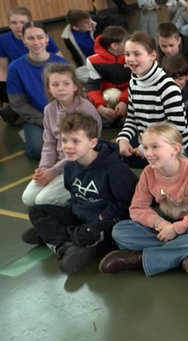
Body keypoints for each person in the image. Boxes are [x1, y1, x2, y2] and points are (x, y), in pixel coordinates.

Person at [100, 122, 188, 275]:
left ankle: (139, 259)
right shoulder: (148, 173)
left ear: (175, 149)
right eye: (145, 147)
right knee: (120, 231)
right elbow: (137, 208)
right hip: (168, 223)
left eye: (155, 147)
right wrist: (160, 223)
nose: (148, 153)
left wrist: (176, 229)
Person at [24, 111, 137, 273]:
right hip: (80, 216)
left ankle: (58, 234)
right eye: (64, 140)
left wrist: (103, 217)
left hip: (105, 220)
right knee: (36, 211)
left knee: (87, 234)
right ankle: (65, 245)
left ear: (92, 142)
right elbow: (74, 195)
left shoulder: (114, 169)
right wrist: (76, 212)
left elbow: (128, 202)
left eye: (75, 141)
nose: (68, 146)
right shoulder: (70, 165)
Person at [22, 63, 102, 208]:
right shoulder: (49, 110)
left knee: (42, 201)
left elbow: (82, 151)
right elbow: (49, 143)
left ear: (75, 86)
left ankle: (79, 194)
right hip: (57, 166)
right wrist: (44, 168)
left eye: (66, 83)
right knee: (28, 198)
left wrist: (53, 172)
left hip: (79, 165)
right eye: (55, 84)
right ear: (49, 88)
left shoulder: (85, 110)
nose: (61, 88)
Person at [117, 31, 188, 167]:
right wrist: (123, 138)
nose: (130, 59)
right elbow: (132, 118)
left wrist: (147, 148)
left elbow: (177, 129)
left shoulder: (167, 87)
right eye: (127, 54)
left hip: (172, 149)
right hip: (147, 144)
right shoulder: (134, 83)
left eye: (137, 54)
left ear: (152, 56)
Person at [7, 21, 69, 159]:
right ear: (24, 41)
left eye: (40, 37)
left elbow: (73, 94)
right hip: (36, 117)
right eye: (30, 38)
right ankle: (28, 135)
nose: (36, 42)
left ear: (47, 39)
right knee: (38, 150)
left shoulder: (62, 63)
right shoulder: (15, 68)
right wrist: (44, 120)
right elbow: (17, 103)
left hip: (63, 114)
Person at [0, 8, 63, 123]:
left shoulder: (42, 37)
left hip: (45, 75)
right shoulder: (3, 40)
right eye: (14, 23)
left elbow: (60, 59)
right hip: (21, 77)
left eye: (22, 22)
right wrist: (5, 89)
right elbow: (3, 68)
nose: (18, 26)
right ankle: (16, 109)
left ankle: (14, 111)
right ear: (9, 24)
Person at [85, 26, 131, 125]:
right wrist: (100, 107)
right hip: (106, 97)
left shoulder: (132, 56)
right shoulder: (95, 62)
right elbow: (92, 87)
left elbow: (137, 81)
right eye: (125, 42)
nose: (129, 44)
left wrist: (124, 100)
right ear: (114, 46)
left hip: (129, 94)